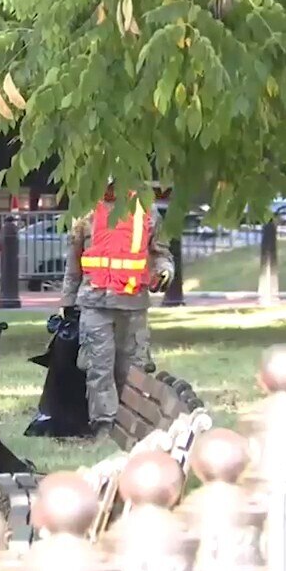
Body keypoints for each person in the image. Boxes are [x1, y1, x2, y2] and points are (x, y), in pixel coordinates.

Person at [59, 176, 174, 442]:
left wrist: (165, 272)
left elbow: (160, 253)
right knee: (99, 367)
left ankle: (131, 424)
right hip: (94, 302)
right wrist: (67, 301)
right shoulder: (85, 210)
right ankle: (104, 426)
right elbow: (74, 261)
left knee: (131, 370)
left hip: (132, 304)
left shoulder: (146, 209)